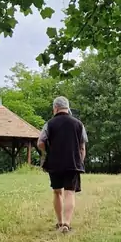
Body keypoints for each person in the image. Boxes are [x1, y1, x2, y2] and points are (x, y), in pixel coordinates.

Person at [37, 96, 88, 233]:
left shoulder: (49, 124)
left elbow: (40, 142)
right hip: (73, 163)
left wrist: (47, 151)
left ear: (55, 108)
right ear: (67, 108)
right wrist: (80, 160)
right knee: (70, 192)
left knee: (57, 191)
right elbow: (82, 146)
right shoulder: (79, 124)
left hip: (54, 163)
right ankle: (66, 224)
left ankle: (59, 222)